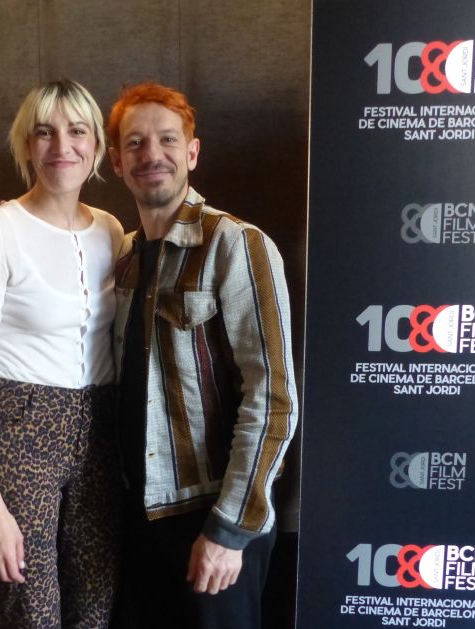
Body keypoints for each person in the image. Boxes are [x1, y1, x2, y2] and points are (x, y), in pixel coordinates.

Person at [107, 82, 298, 629]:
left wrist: (229, 529)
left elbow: (274, 399)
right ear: (117, 162)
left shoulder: (236, 244)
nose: (152, 154)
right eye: (135, 142)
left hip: (211, 515)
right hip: (141, 516)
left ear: (192, 153)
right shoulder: (123, 257)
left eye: (168, 139)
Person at [0, 79, 124, 629]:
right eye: (44, 132)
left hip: (100, 430)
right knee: (33, 608)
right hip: (21, 428)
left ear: (96, 146)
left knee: (95, 600)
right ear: (27, 145)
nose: (61, 146)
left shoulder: (111, 231)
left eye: (77, 131)